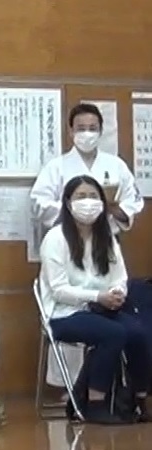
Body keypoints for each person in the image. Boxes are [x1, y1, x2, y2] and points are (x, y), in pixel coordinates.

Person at [39, 175, 151, 424]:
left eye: (93, 196)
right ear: (68, 203)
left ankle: (139, 400)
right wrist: (97, 296)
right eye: (81, 196)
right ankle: (94, 403)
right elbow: (58, 290)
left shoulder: (106, 237)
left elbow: (120, 277)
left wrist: (117, 292)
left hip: (102, 308)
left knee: (138, 332)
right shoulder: (55, 239)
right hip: (63, 313)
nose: (88, 202)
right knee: (112, 334)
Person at [31, 103, 143, 236]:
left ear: (101, 131)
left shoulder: (117, 165)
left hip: (106, 237)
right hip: (67, 237)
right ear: (71, 131)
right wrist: (74, 210)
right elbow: (39, 203)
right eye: (81, 129)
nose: (87, 133)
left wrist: (111, 208)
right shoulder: (56, 166)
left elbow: (133, 202)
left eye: (92, 128)